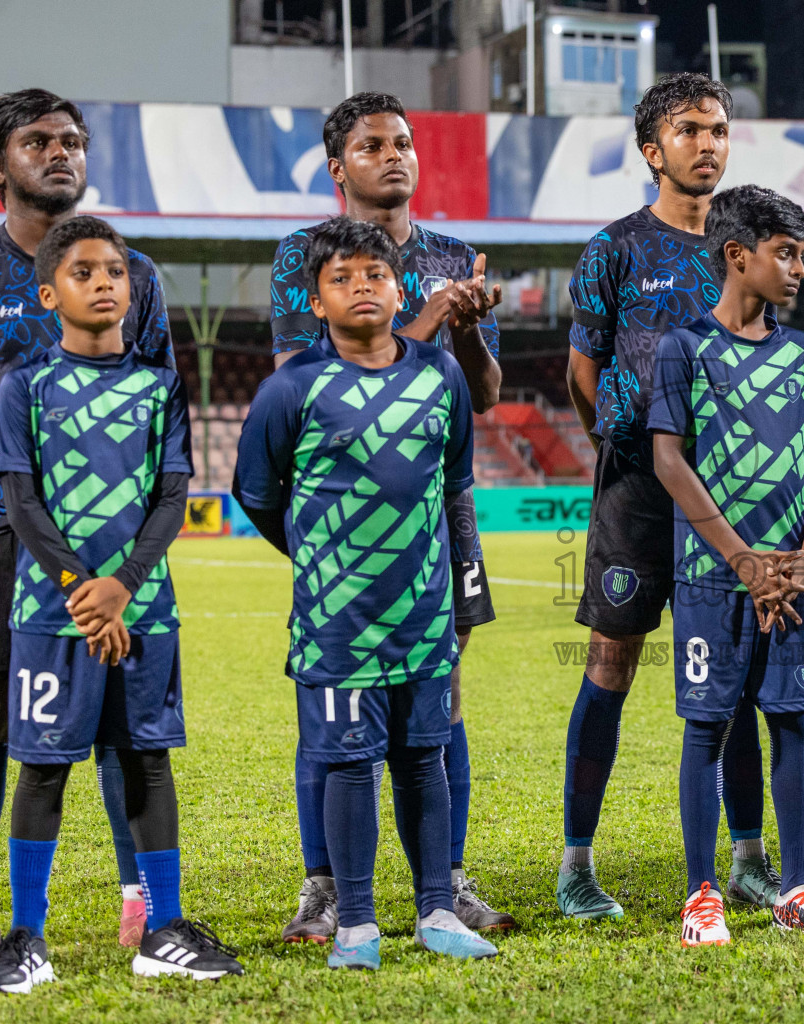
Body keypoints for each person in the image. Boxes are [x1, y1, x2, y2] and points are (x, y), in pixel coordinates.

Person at [0, 217, 242, 995]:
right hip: (54, 615)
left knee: (146, 761)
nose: (103, 282)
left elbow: (170, 495)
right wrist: (81, 590)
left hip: (146, 609)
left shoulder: (160, 383)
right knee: (45, 769)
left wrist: (121, 586)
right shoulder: (27, 385)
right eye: (85, 271)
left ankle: (164, 929)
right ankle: (25, 938)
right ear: (50, 291)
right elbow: (21, 502)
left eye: (115, 271)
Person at [268, 91, 510, 939]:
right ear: (340, 168)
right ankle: (327, 885)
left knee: (439, 691)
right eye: (373, 145)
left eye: (403, 142)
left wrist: (472, 331)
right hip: (343, 513)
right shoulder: (305, 254)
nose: (395, 155)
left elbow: (483, 395)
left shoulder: (452, 253)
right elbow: (305, 374)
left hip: (443, 509)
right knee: (331, 695)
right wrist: (434, 313)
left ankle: (445, 882)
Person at [0, 89, 164, 970]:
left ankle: (140, 902)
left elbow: (159, 402)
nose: (60, 153)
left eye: (71, 141)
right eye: (38, 142)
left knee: (121, 712)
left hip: (107, 534)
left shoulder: (133, 274)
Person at [236, 217, 497, 969]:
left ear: (399, 288)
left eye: (375, 276)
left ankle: (437, 913)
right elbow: (256, 493)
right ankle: (354, 923)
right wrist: (322, 559)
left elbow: (453, 479)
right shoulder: (291, 388)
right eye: (342, 279)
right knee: (349, 763)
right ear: (316, 301)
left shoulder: (437, 375)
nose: (361, 288)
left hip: (422, 613)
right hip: (337, 620)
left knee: (424, 756)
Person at [561, 72, 782, 920]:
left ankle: (750, 860)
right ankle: (578, 863)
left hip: (736, 497)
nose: (709, 144)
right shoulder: (616, 249)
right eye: (690, 131)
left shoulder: (749, 244)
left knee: (739, 674)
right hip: (638, 495)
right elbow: (585, 376)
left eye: (720, 130)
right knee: (611, 664)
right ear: (654, 150)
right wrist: (631, 448)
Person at [650, 185, 804, 945]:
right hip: (715, 577)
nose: (801, 269)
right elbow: (670, 459)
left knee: (791, 718)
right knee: (707, 727)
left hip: (791, 582)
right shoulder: (685, 348)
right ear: (738, 256)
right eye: (786, 253)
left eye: (803, 254)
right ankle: (700, 894)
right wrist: (743, 562)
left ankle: (798, 888)